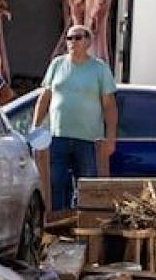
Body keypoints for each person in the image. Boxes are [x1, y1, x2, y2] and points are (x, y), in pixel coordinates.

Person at [32, 24, 117, 211]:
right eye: (69, 38)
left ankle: (84, 228)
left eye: (77, 38)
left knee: (86, 187)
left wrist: (111, 138)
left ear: (88, 41)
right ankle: (58, 227)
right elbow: (44, 97)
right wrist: (35, 126)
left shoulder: (99, 69)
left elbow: (109, 106)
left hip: (88, 139)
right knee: (55, 183)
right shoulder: (57, 64)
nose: (72, 42)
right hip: (58, 136)